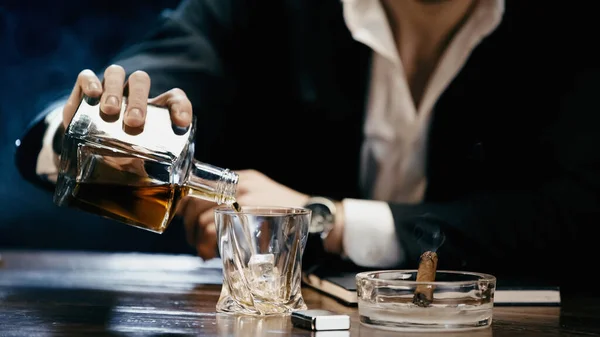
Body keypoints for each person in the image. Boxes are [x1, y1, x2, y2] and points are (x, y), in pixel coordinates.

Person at [15, 0, 600, 285]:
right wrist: (89, 130)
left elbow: (576, 213)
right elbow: (173, 67)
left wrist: (325, 219)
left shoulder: (569, 23)